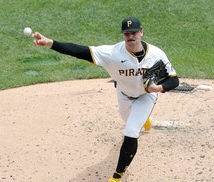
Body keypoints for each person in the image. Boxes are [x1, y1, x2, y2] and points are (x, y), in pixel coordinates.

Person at [33, 17, 179, 182]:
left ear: (141, 32)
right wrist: (51, 43)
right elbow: (79, 51)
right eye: (127, 33)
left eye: (134, 32)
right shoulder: (112, 53)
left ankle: (117, 176)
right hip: (124, 96)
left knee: (131, 131)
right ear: (123, 35)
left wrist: (158, 88)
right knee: (127, 119)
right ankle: (146, 121)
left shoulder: (157, 54)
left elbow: (174, 80)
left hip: (146, 96)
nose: (131, 36)